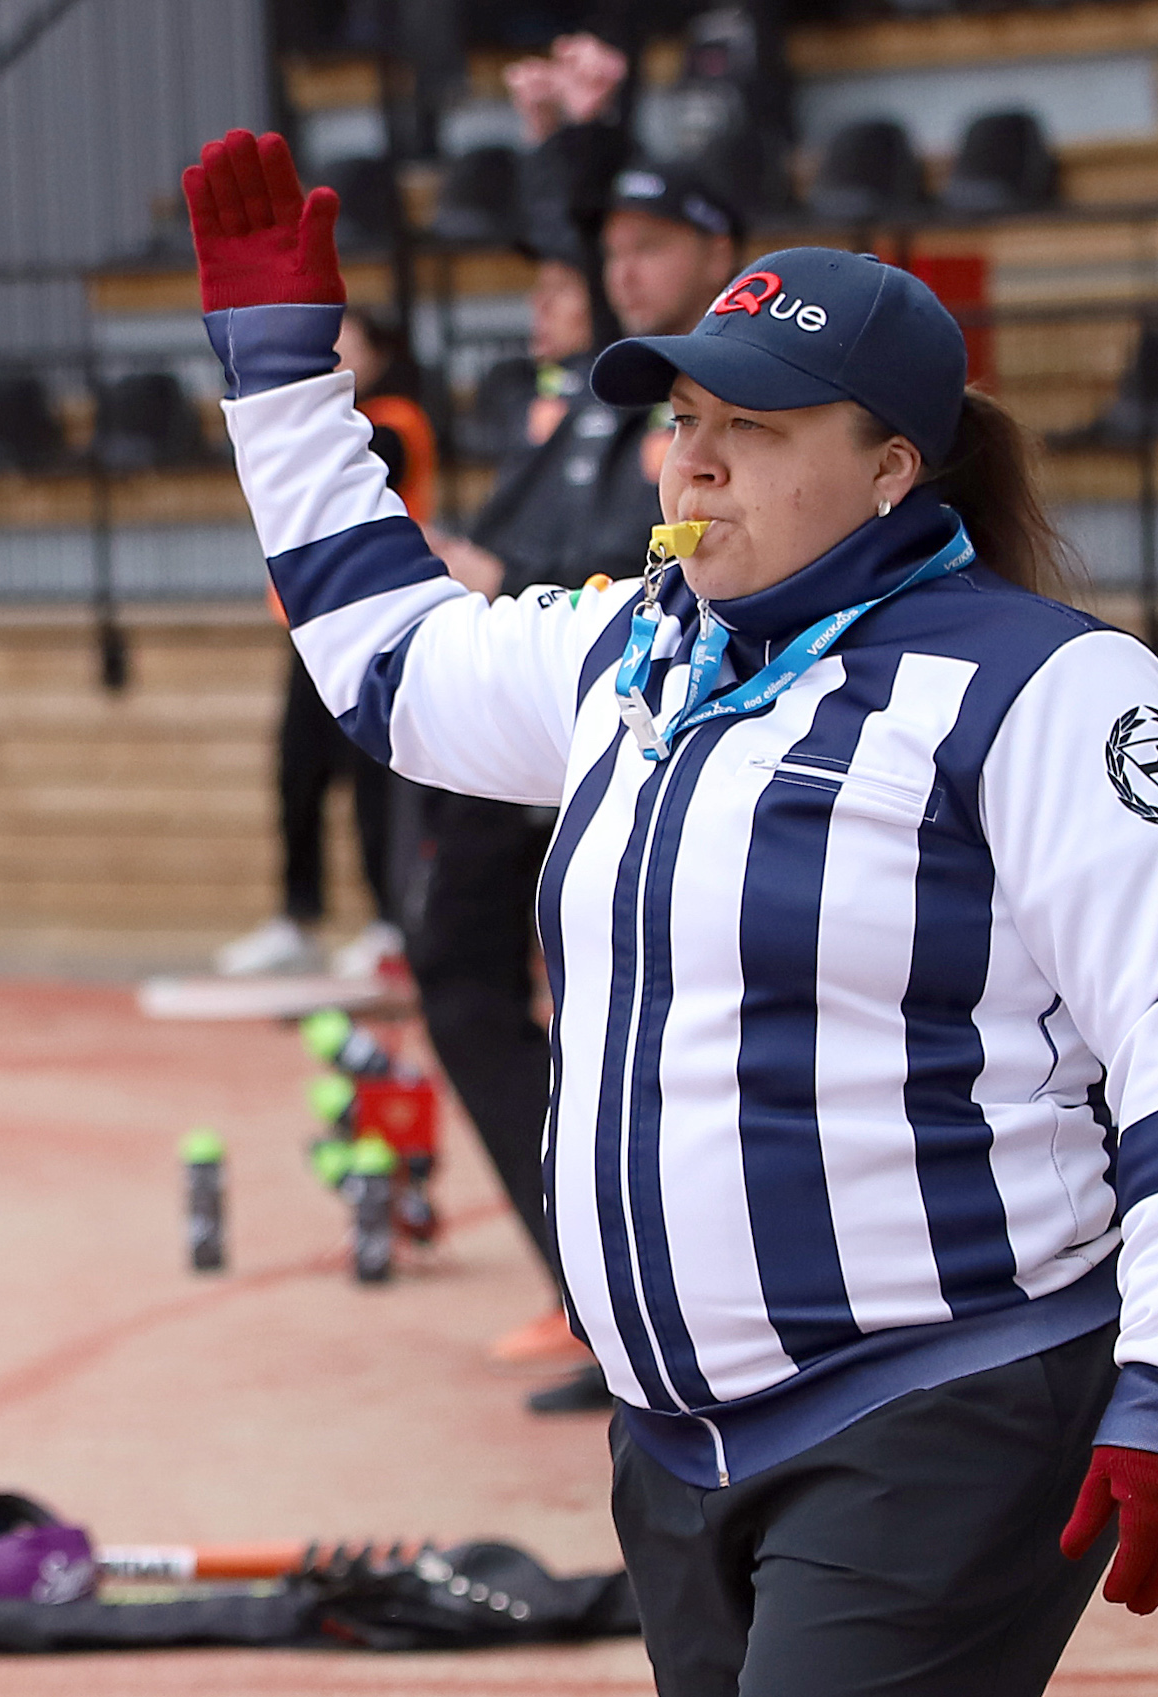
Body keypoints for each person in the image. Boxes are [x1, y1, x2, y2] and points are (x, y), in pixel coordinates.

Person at [185, 129, 1158, 1693]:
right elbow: (387, 662)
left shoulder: (1048, 685)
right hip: (677, 1447)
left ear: (895, 467)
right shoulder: (635, 650)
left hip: (941, 1404)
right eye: (684, 419)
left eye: (751, 428)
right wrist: (284, 377)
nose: (691, 462)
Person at [418, 40, 748, 1412]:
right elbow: (587, 233)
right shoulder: (603, 388)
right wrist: (567, 133)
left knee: (639, 1028)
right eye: (608, 250)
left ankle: (649, 1304)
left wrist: (509, 580)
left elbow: (691, 564)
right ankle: (589, 1283)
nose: (618, 268)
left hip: (638, 728)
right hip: (520, 732)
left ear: (720, 252)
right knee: (458, 975)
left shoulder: (736, 394)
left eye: (649, 246)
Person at [215, 307, 436, 978]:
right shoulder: (323, 428)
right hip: (309, 628)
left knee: (375, 781)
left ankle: (390, 923)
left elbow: (349, 465)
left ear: (378, 352)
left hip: (376, 623)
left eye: (348, 341)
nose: (334, 349)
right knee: (298, 773)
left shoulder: (394, 422)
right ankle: (298, 916)